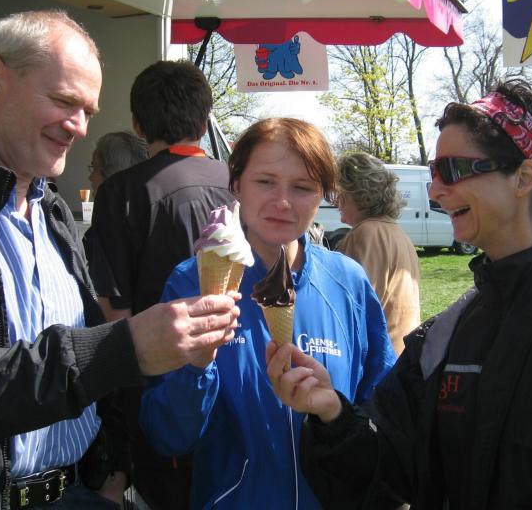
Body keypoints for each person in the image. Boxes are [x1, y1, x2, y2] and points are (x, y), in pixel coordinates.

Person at [266, 80, 532, 509]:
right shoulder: (444, 336)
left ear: (523, 177)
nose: (435, 190)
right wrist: (333, 414)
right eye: (433, 173)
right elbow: (390, 464)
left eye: (451, 170)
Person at [0, 10, 240, 510]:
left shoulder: (53, 211)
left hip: (83, 492)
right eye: (64, 101)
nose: (79, 127)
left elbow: (92, 334)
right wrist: (121, 348)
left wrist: (113, 464)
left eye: (88, 111)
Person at [140, 117, 397, 509]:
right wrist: (196, 368)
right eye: (265, 182)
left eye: (302, 187)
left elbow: (383, 414)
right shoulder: (192, 283)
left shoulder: (348, 282)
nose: (283, 202)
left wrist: (333, 412)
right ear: (237, 184)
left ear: (323, 196)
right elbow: (168, 437)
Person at [88, 60, 234, 509]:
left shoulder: (121, 192)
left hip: (161, 393)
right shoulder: (243, 182)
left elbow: (115, 314)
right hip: (243, 380)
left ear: (137, 125)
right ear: (205, 122)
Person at [335, 152, 421, 355]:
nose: (337, 204)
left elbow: (354, 307)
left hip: (376, 360)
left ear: (355, 194)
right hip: (402, 356)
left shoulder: (366, 234)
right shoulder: (400, 235)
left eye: (340, 196)